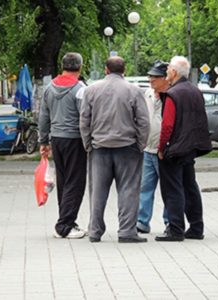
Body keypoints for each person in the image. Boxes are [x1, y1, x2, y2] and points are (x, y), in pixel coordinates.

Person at [80, 56, 150, 243]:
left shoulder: (91, 90)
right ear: (124, 70)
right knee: (129, 189)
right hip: (127, 148)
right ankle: (127, 231)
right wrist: (141, 144)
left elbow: (84, 121)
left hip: (99, 147)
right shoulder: (134, 91)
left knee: (97, 192)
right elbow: (143, 121)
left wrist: (88, 144)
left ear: (106, 70)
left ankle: (95, 231)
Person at [155, 56, 212, 242]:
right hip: (191, 146)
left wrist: (162, 148)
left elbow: (167, 126)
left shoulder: (173, 94)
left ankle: (176, 229)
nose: (166, 74)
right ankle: (196, 227)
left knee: (172, 189)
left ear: (173, 72)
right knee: (190, 186)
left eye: (168, 70)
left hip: (175, 148)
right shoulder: (195, 91)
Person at [39, 52, 87, 239]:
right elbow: (85, 117)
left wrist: (44, 141)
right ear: (80, 68)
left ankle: (66, 219)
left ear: (62, 66)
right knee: (76, 182)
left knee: (64, 181)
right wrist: (89, 141)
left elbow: (44, 116)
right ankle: (65, 225)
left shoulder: (50, 88)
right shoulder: (80, 89)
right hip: (75, 139)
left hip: (56, 139)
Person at [136, 60, 169, 234]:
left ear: (165, 78)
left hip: (164, 151)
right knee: (144, 187)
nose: (151, 80)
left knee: (167, 189)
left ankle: (169, 221)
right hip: (147, 149)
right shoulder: (147, 94)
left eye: (155, 77)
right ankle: (142, 221)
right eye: (150, 76)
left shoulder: (171, 95)